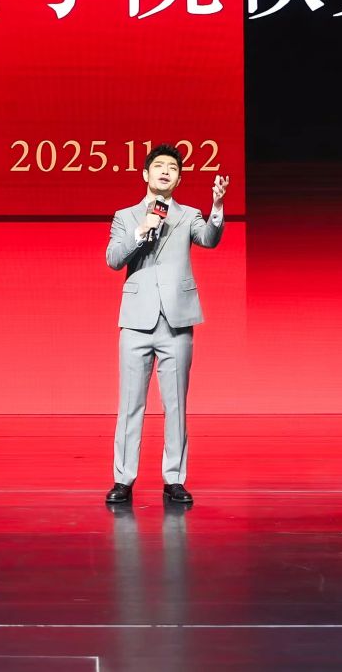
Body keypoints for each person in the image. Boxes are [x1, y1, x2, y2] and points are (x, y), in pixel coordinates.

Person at [103, 144, 229, 507]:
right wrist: (143, 229)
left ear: (178, 179)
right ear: (146, 174)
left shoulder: (188, 214)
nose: (164, 172)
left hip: (177, 320)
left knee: (175, 405)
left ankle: (174, 478)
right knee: (131, 404)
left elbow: (209, 239)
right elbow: (113, 259)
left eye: (172, 168)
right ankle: (123, 478)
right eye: (158, 166)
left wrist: (217, 206)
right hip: (136, 322)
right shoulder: (126, 216)